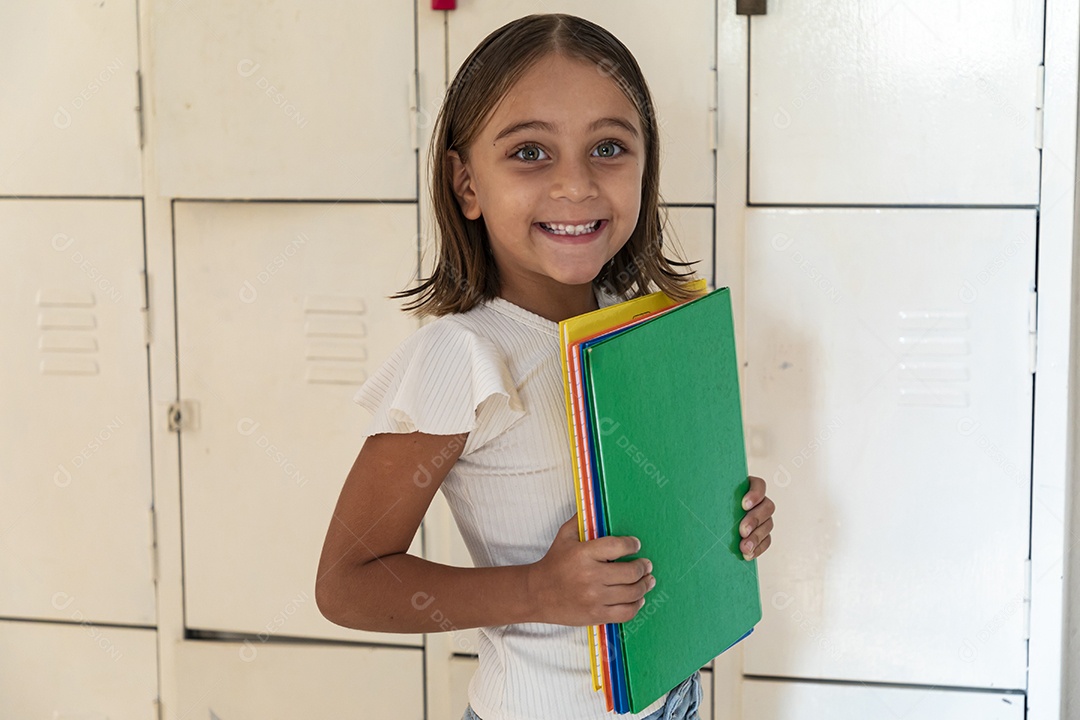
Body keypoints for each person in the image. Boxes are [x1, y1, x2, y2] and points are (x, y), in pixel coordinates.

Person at [315, 13, 775, 720]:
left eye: (609, 147)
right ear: (466, 184)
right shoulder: (463, 356)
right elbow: (347, 584)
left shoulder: (644, 318)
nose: (575, 185)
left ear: (646, 164)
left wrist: (723, 522)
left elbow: (653, 514)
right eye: (530, 152)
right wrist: (536, 591)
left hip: (673, 699)